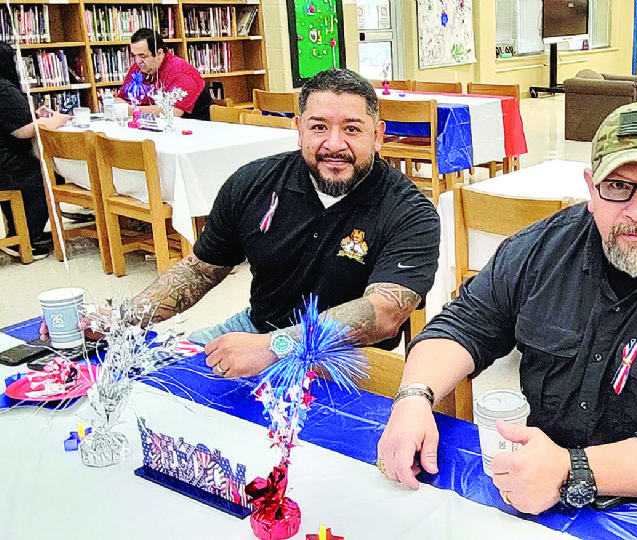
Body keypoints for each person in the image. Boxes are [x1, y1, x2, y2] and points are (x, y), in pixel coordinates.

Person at [377, 100, 637, 514]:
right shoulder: (545, 248)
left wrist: (572, 468)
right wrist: (413, 399)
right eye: (618, 186)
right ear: (590, 188)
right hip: (582, 452)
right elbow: (467, 322)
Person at [54, 68, 440, 378]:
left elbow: (384, 313)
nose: (334, 143)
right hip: (257, 327)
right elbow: (199, 271)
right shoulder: (252, 182)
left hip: (349, 358)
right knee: (147, 378)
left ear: (378, 135)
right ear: (299, 127)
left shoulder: (411, 212)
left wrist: (277, 348)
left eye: (352, 129)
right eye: (319, 126)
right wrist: (119, 319)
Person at [0, 41, 71, 260]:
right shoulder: (4, 88)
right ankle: (26, 238)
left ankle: (18, 231)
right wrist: (55, 120)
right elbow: (21, 131)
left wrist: (35, 116)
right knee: (48, 177)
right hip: (7, 164)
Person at [115, 28, 212, 121]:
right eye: (134, 56)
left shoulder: (179, 70)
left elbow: (175, 111)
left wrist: (133, 110)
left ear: (159, 53)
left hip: (194, 126)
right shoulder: (139, 67)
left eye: (143, 56)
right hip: (155, 125)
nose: (138, 61)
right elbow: (122, 98)